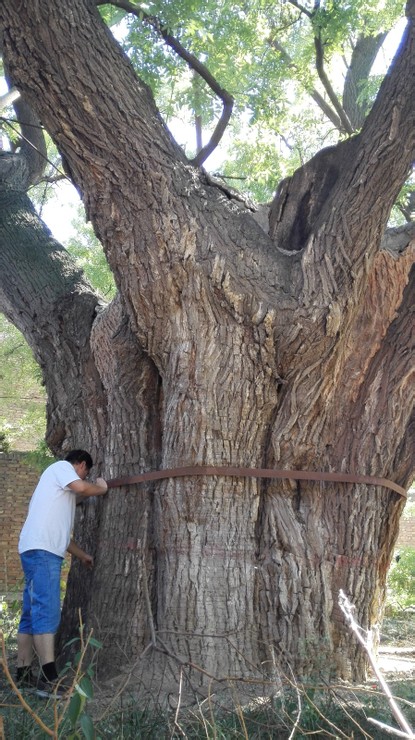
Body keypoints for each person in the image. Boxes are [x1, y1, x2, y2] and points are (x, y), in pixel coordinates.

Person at [15, 449, 108, 697]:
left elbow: (65, 540)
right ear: (80, 465)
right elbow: (82, 488)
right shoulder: (60, 468)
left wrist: (83, 556)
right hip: (42, 552)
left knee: (31, 614)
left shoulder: (57, 497)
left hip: (36, 549)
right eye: (86, 472)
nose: (85, 477)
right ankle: (49, 679)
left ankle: (23, 678)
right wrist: (100, 487)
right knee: (46, 610)